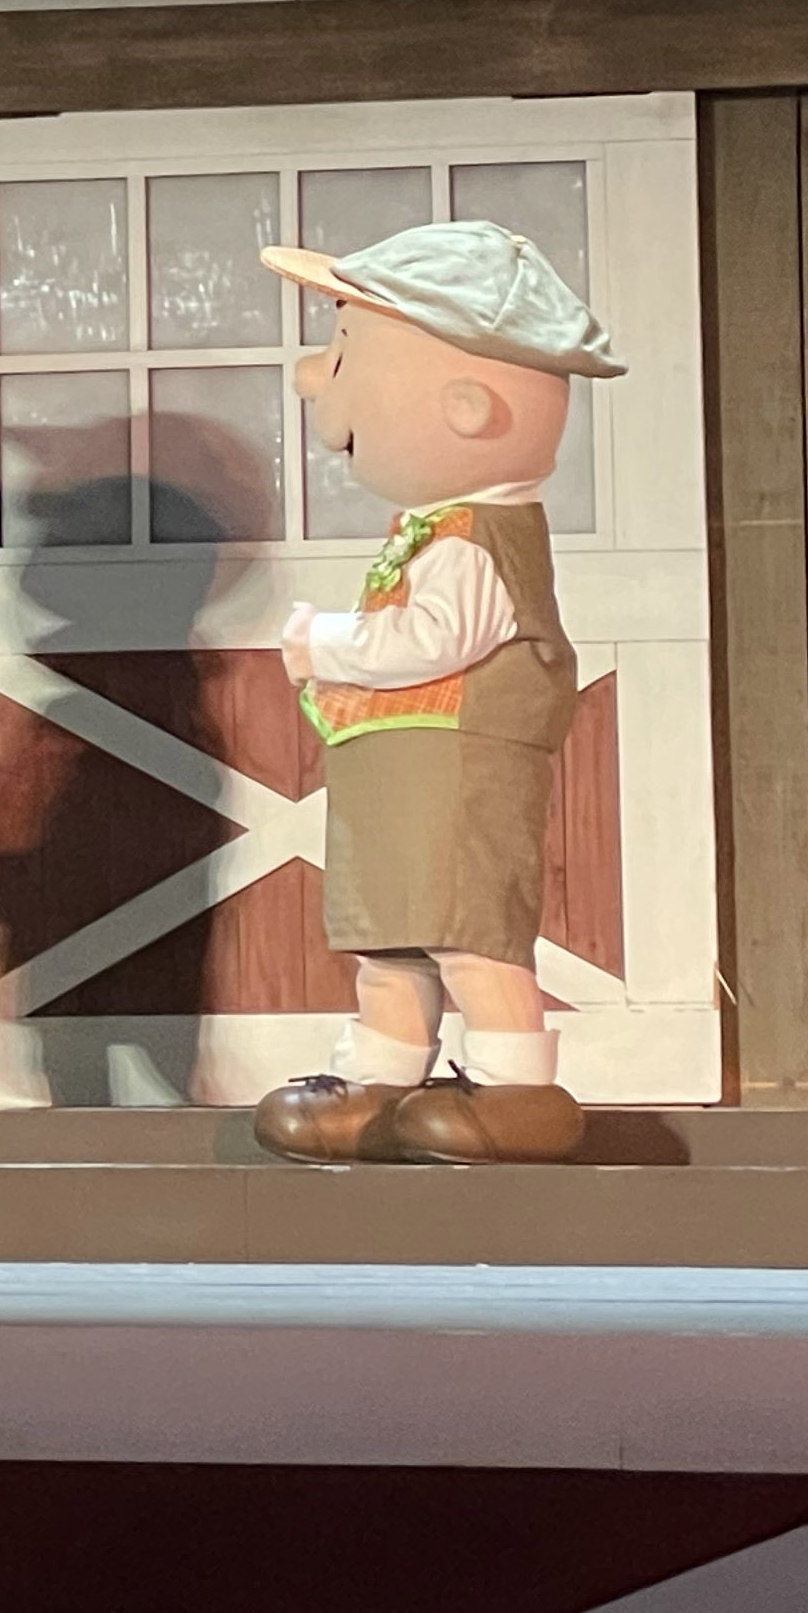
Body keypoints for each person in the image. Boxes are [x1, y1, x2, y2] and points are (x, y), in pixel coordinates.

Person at [246, 220, 621, 1167]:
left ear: (467, 407)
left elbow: (430, 641)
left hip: (456, 770)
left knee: (467, 933)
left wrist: (322, 641)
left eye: (343, 354)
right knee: (393, 936)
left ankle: (513, 1083)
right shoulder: (436, 528)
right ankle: (380, 1077)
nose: (313, 378)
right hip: (405, 771)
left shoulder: (473, 540)